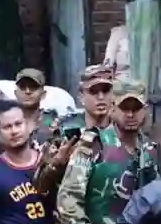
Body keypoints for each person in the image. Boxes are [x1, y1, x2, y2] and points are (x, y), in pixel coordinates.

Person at [52, 79, 158, 224]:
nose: (130, 114)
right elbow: (67, 197)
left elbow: (158, 200)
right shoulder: (92, 144)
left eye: (136, 109)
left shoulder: (148, 149)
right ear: (112, 108)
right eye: (124, 108)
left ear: (145, 111)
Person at [33, 64, 114, 194]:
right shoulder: (67, 133)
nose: (100, 97)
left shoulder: (120, 132)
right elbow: (40, 188)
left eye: (105, 91)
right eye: (93, 91)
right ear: (81, 97)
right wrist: (57, 164)